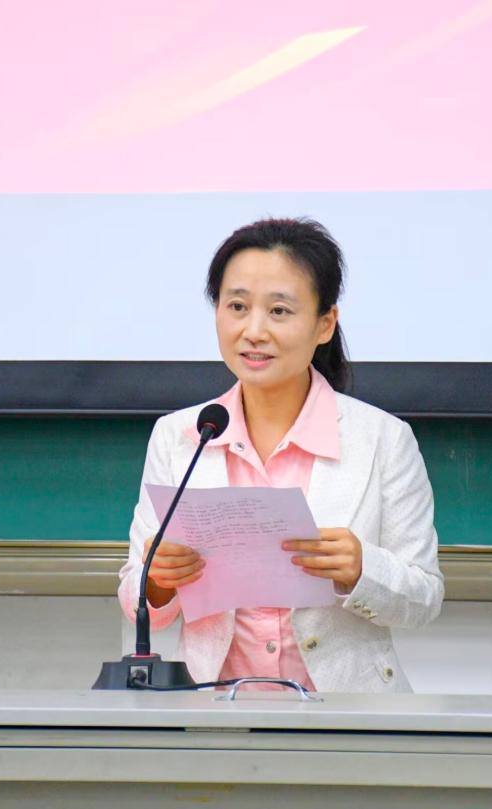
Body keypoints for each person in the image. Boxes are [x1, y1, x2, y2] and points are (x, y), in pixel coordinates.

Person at [118, 218, 443, 693]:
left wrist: (362, 570)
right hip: (213, 708)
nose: (253, 331)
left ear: (325, 323)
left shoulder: (383, 439)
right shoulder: (181, 436)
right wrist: (158, 581)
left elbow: (425, 597)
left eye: (279, 311)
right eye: (237, 306)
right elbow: (136, 591)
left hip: (348, 712)